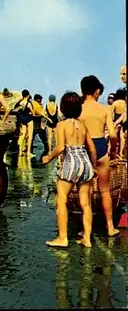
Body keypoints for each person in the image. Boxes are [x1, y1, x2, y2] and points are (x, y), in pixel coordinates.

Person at [42, 92, 96, 248]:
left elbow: (60, 148)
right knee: (85, 203)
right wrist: (93, 167)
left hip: (71, 162)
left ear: (63, 108)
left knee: (61, 199)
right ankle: (87, 238)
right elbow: (91, 148)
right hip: (85, 161)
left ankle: (63, 238)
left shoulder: (61, 125)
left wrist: (48, 158)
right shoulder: (83, 125)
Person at [79, 75, 119, 237]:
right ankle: (110, 227)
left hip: (84, 149)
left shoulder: (78, 108)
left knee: (85, 191)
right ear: (96, 91)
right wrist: (113, 151)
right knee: (104, 190)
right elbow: (113, 134)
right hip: (101, 148)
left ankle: (85, 229)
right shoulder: (104, 109)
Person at [14, 89, 34, 156]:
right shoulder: (28, 103)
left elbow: (15, 107)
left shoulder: (20, 102)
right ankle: (28, 152)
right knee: (30, 136)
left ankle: (19, 151)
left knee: (22, 135)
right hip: (28, 119)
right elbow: (33, 113)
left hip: (22, 119)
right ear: (28, 95)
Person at [112, 88, 126, 158]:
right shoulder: (124, 103)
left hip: (117, 118)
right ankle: (121, 152)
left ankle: (114, 152)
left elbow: (111, 112)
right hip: (123, 119)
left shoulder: (115, 102)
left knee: (114, 135)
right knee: (121, 136)